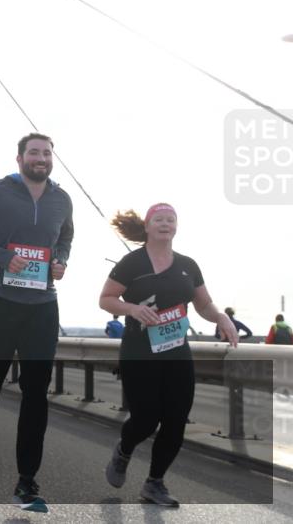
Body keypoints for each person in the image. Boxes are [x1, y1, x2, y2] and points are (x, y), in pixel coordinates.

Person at [0, 133, 73, 513]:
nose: (41, 158)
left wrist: (61, 261)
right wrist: (2, 257)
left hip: (42, 305)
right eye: (34, 152)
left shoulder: (61, 198)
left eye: (47, 153)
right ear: (19, 157)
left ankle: (26, 481)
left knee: (36, 394)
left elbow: (66, 236)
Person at [100, 204, 238, 508]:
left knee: (176, 420)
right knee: (146, 420)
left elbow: (203, 305)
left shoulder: (188, 265)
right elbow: (106, 299)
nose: (165, 223)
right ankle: (124, 450)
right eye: (159, 219)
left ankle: (154, 483)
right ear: (147, 227)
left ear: (176, 227)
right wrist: (133, 308)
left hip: (176, 352)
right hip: (139, 352)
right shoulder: (131, 263)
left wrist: (222, 319)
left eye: (170, 219)